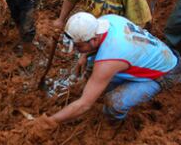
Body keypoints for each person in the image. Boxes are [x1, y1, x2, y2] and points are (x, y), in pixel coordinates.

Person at [41, 12, 181, 128]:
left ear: (94, 40)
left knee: (114, 102)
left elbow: (84, 105)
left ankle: (112, 126)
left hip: (165, 74)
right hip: (158, 54)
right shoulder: (106, 20)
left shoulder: (109, 59)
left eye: (79, 47)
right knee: (97, 73)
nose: (76, 51)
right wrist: (84, 56)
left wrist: (52, 120)